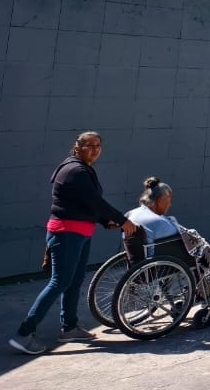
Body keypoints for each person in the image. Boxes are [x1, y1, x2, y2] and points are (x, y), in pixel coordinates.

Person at [10, 131, 136, 355]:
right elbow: (94, 201)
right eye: (90, 145)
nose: (95, 149)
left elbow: (84, 204)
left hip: (79, 233)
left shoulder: (82, 169)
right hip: (67, 233)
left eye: (98, 145)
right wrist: (121, 220)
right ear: (77, 147)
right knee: (59, 282)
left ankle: (69, 327)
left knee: (74, 281)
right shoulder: (76, 170)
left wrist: (103, 220)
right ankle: (24, 333)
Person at [125, 177, 210, 305]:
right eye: (169, 200)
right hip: (159, 265)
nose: (170, 204)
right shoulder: (158, 221)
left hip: (140, 263)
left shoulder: (132, 214)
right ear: (160, 200)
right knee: (205, 253)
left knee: (199, 251)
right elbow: (182, 235)